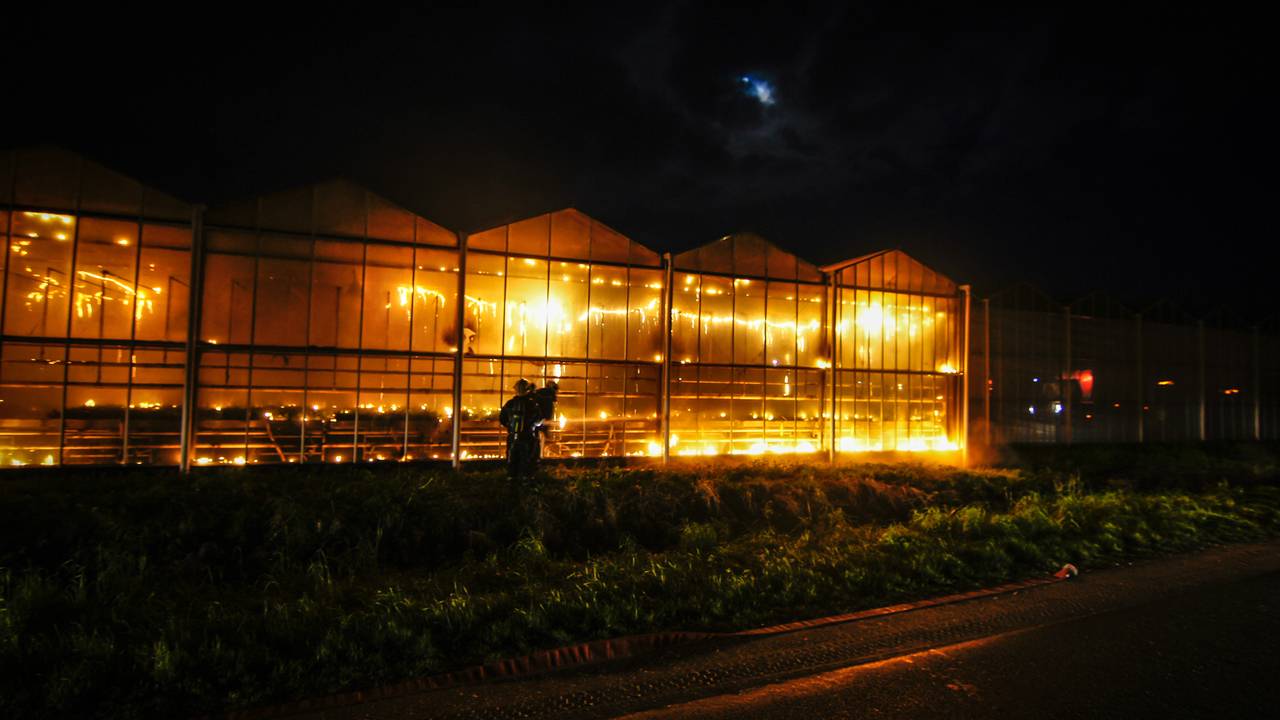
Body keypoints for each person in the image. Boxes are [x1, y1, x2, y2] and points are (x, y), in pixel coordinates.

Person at [498, 378, 543, 482]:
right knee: (528, 461)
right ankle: (526, 481)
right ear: (527, 390)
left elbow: (502, 419)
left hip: (513, 437)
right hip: (528, 437)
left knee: (512, 461)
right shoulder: (532, 404)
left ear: (516, 390)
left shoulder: (509, 404)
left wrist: (511, 427)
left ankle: (512, 481)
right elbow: (539, 420)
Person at [533, 380, 559, 459]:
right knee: (540, 437)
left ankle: (539, 456)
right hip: (540, 422)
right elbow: (546, 413)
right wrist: (547, 423)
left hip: (537, 422)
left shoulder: (539, 394)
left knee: (539, 437)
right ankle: (540, 457)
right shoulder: (548, 398)